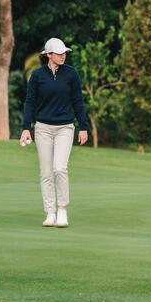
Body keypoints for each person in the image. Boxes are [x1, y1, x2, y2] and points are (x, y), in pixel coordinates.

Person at [20, 37, 89, 227]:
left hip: (65, 128)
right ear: (48, 55)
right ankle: (50, 212)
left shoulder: (71, 74)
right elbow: (30, 103)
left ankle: (62, 210)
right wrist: (26, 128)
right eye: (58, 53)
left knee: (60, 168)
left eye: (64, 53)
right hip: (42, 128)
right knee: (46, 172)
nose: (63, 56)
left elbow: (78, 101)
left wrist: (83, 127)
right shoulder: (37, 76)